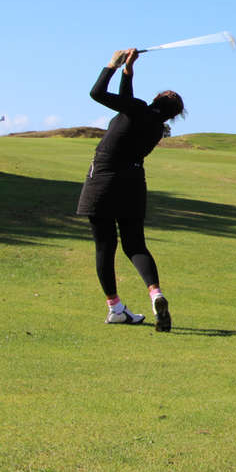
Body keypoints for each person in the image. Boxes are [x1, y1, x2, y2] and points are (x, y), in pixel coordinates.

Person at [76, 48, 185, 331]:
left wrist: (111, 65)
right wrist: (128, 71)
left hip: (103, 180)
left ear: (154, 100)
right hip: (134, 184)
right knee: (134, 245)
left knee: (105, 246)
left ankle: (115, 307)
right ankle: (155, 293)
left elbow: (97, 94)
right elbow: (127, 102)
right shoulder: (156, 128)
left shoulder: (137, 109)